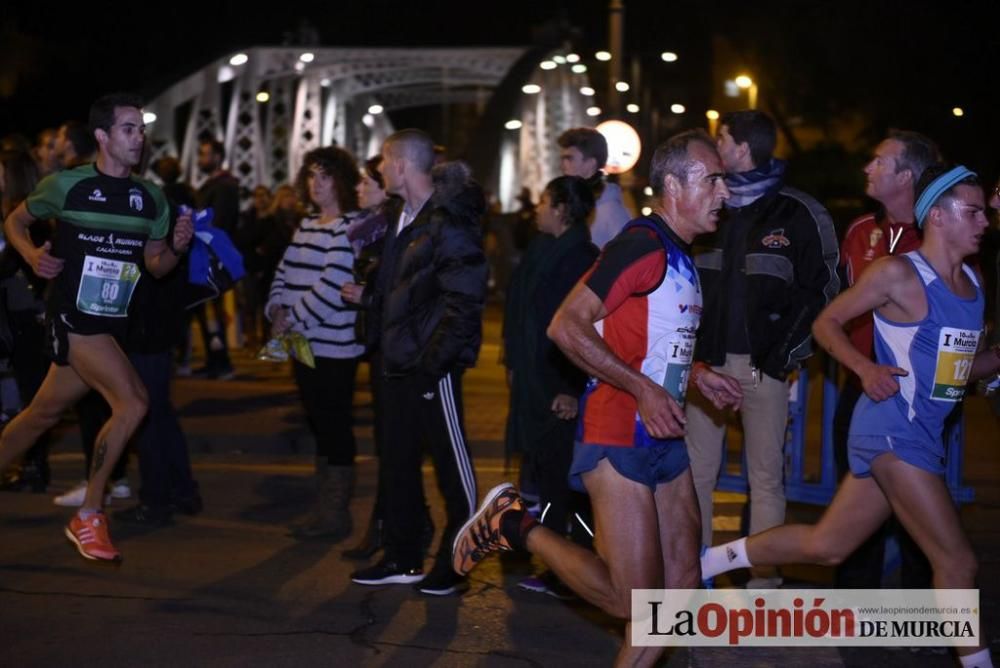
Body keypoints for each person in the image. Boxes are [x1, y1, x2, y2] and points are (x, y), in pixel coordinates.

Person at [453, 130, 743, 666]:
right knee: (631, 601)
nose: (725, 192)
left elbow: (647, 343)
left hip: (665, 431)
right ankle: (514, 524)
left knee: (679, 586)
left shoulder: (681, 254)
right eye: (714, 179)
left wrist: (697, 375)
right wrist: (641, 388)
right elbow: (566, 325)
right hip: (618, 432)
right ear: (674, 185)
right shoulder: (641, 245)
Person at [701, 164, 1000, 668]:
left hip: (922, 436)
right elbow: (827, 322)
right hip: (889, 429)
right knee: (957, 560)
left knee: (827, 546)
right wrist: (864, 367)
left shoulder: (972, 280)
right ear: (940, 217)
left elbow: (961, 367)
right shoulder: (898, 273)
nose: (984, 221)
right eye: (972, 211)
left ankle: (711, 559)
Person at [0, 92, 193, 562]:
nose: (139, 138)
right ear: (103, 137)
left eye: (142, 129)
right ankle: (89, 513)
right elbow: (15, 221)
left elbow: (156, 266)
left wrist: (178, 249)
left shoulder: (151, 199)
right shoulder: (66, 186)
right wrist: (30, 256)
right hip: (73, 319)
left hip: (112, 325)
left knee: (41, 415)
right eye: (129, 128)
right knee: (134, 402)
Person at [684, 110, 839, 587]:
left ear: (741, 149)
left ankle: (764, 580)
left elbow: (826, 289)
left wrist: (781, 359)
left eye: (721, 140)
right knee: (696, 477)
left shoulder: (798, 212)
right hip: (706, 368)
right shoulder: (710, 205)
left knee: (766, 479)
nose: (715, 148)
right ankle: (695, 575)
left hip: (762, 370)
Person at [347, 130, 487, 597]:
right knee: (398, 461)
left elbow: (465, 300)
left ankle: (458, 560)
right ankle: (403, 556)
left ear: (403, 165)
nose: (380, 171)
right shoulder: (400, 217)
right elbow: (397, 290)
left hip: (430, 366)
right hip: (396, 362)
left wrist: (434, 362)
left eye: (385, 163)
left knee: (452, 467)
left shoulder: (447, 221)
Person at [834, 130, 940, 588]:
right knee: (851, 503)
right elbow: (833, 310)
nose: (867, 168)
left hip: (915, 393)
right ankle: (854, 608)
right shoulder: (860, 232)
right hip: (861, 385)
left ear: (907, 176)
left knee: (918, 508)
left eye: (879, 161)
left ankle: (923, 611)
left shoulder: (938, 238)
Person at [503, 175, 599, 599]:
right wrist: (512, 360)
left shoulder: (582, 255)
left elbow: (584, 329)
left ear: (562, 208)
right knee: (545, 472)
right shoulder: (542, 248)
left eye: (544, 202)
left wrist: (571, 388)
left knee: (563, 478)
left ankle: (572, 568)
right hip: (533, 379)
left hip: (558, 385)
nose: (537, 208)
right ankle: (562, 563)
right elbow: (518, 307)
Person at [267, 146, 364, 540]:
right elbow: (284, 271)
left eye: (324, 176)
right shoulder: (307, 224)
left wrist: (291, 317)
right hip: (301, 340)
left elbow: (332, 286)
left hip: (333, 344)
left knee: (334, 423)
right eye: (310, 176)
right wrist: (275, 307)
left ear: (341, 180)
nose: (315, 184)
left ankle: (335, 514)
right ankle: (324, 510)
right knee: (318, 421)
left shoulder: (350, 226)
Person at [191, 138, 240, 380]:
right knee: (206, 311)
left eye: (205, 154)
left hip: (213, 257)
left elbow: (217, 222)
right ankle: (214, 360)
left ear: (218, 157)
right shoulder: (217, 184)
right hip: (206, 256)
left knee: (212, 311)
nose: (201, 159)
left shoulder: (224, 185)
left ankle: (222, 363)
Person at [557, 127, 631, 249]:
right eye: (562, 159)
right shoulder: (572, 203)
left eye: (569, 158)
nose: (562, 165)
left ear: (591, 163)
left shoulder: (612, 211)